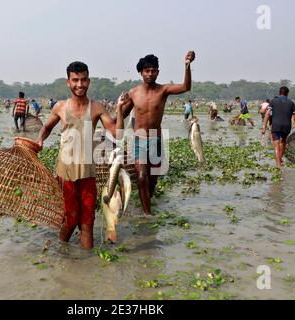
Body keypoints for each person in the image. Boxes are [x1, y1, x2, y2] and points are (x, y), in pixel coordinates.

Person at [36, 61, 123, 249]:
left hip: (87, 173)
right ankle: (61, 250)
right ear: (68, 82)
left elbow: (117, 133)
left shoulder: (97, 107)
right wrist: (40, 139)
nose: (80, 84)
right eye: (75, 80)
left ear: (89, 81)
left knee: (87, 222)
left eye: (83, 80)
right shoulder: (60, 107)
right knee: (72, 218)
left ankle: (86, 267)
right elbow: (46, 127)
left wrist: (121, 111)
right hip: (65, 173)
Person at [119, 51, 195, 215]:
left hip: (157, 140)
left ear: (158, 72)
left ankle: (147, 201)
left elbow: (185, 87)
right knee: (141, 177)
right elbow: (121, 116)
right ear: (141, 72)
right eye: (147, 71)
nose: (150, 74)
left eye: (153, 70)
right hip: (139, 141)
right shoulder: (133, 93)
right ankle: (147, 215)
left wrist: (187, 65)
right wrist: (113, 114)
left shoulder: (163, 90)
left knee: (152, 180)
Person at [262, 86, 295, 168]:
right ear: (287, 94)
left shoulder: (273, 101)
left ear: (279, 93)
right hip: (286, 126)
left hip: (276, 126)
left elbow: (267, 114)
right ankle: (280, 159)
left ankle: (278, 165)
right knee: (283, 141)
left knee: (276, 145)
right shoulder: (291, 103)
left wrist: (264, 126)